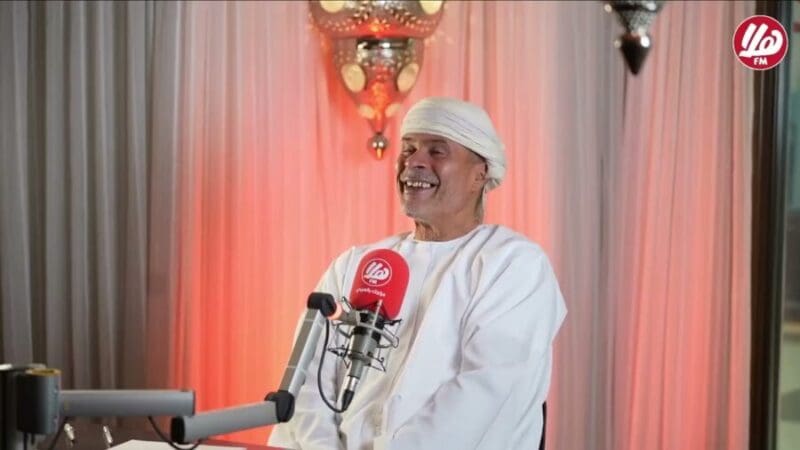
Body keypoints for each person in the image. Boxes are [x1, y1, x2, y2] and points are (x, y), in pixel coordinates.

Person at [269, 97, 567, 450]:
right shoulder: (357, 263)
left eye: (437, 151)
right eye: (408, 149)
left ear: (480, 173)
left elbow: (479, 397)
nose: (413, 162)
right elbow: (307, 383)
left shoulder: (513, 264)